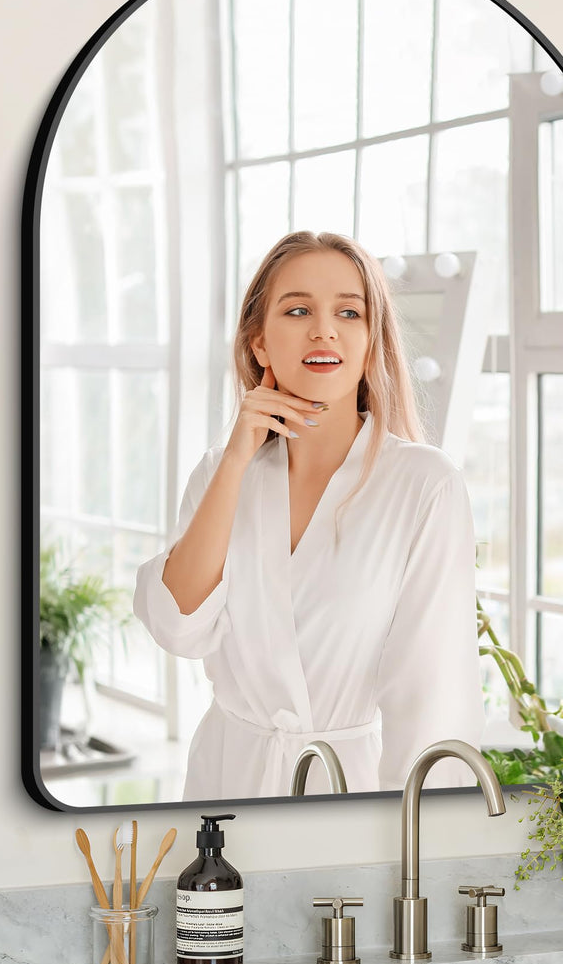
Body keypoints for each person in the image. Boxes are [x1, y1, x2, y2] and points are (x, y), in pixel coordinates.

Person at [133, 230, 485, 800]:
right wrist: (235, 460)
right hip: (226, 784)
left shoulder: (424, 484)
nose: (324, 329)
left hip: (350, 792)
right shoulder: (218, 474)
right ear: (260, 344)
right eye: (297, 310)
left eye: (349, 312)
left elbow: (433, 697)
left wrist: (421, 844)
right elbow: (177, 628)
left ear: (371, 342)